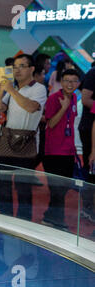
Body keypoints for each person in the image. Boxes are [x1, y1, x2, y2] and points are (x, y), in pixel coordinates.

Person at [0, 54, 48, 221]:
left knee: (24, 189)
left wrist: (11, 90)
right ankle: (6, 222)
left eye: (22, 66)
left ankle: (24, 224)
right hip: (6, 141)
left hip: (27, 144)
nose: (17, 70)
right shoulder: (14, 89)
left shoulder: (38, 88)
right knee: (3, 187)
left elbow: (31, 108)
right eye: (15, 66)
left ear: (32, 69)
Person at [41, 69, 80, 231]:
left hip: (68, 151)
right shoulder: (53, 99)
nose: (70, 84)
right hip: (54, 152)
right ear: (61, 82)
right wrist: (63, 108)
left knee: (62, 190)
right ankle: (57, 221)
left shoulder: (74, 97)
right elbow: (50, 124)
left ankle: (50, 218)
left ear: (78, 84)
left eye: (74, 81)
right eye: (67, 81)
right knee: (57, 189)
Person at [79, 64, 95, 221]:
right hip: (90, 127)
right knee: (91, 169)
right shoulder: (93, 73)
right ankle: (87, 208)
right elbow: (85, 99)